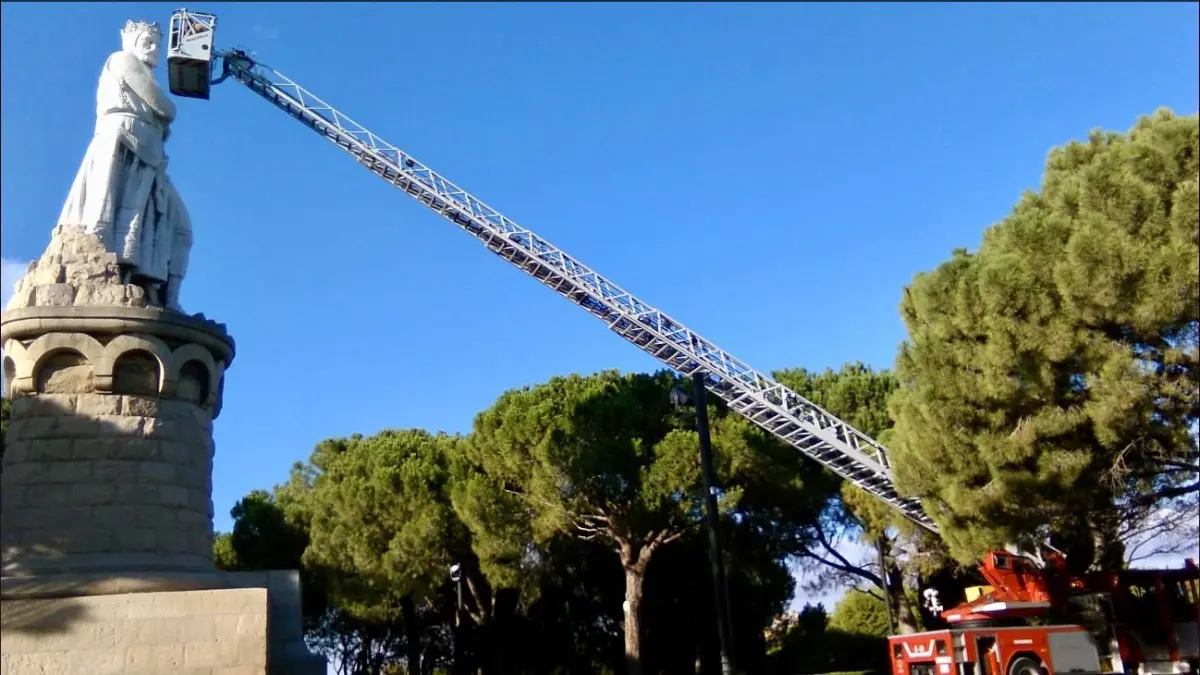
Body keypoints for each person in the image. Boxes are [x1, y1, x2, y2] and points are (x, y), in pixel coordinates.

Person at [57, 19, 193, 312]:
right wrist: (163, 115)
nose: (153, 49)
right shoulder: (122, 60)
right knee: (109, 215)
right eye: (148, 42)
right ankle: (110, 275)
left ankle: (167, 298)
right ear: (130, 41)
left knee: (181, 227)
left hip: (151, 158)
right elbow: (165, 107)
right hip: (123, 144)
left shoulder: (143, 72)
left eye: (157, 44)